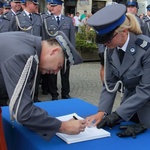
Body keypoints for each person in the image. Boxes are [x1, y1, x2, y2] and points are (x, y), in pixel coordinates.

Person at [0, 31, 86, 144]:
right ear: (54, 51)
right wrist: (63, 126)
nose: (55, 72)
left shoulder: (29, 44)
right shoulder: (24, 55)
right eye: (59, 66)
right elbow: (24, 113)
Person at [86, 4, 149, 138]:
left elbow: (145, 90)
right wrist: (102, 112)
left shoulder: (146, 50)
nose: (104, 43)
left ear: (124, 32)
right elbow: (109, 85)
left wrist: (116, 115)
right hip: (129, 109)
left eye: (108, 38)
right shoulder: (110, 49)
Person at [42, 0, 75, 100]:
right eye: (51, 6)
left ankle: (65, 93)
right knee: (52, 74)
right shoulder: (46, 20)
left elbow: (72, 38)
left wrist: (72, 53)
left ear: (60, 7)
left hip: (65, 52)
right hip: (52, 52)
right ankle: (54, 94)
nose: (52, 8)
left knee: (65, 74)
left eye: (54, 6)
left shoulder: (68, 20)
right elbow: (44, 37)